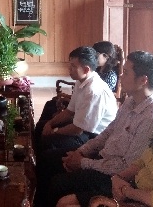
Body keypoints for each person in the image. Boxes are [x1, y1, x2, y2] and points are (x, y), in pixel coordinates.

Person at [39, 51, 153, 207]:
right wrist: (81, 152)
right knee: (48, 159)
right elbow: (108, 132)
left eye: (126, 72)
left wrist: (83, 163)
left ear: (143, 80)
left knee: (58, 183)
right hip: (102, 158)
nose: (120, 75)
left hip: (115, 178)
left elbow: (127, 166)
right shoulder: (131, 101)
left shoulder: (151, 119)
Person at [57, 87, 153, 207]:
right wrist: (118, 178)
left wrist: (126, 191)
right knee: (64, 201)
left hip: (143, 202)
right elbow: (139, 163)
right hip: (131, 189)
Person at [34, 46, 118, 206]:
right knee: (41, 128)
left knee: (47, 153)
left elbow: (78, 129)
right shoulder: (82, 82)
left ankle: (41, 197)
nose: (69, 69)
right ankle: (36, 177)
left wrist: (54, 131)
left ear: (86, 69)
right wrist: (50, 124)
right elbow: (69, 111)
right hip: (83, 130)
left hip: (94, 139)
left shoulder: (94, 90)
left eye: (73, 66)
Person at [38, 41, 120, 123]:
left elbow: (95, 100)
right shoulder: (95, 71)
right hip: (84, 102)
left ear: (106, 56)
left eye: (96, 53)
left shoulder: (109, 76)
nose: (93, 57)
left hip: (92, 109)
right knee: (50, 105)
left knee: (51, 110)